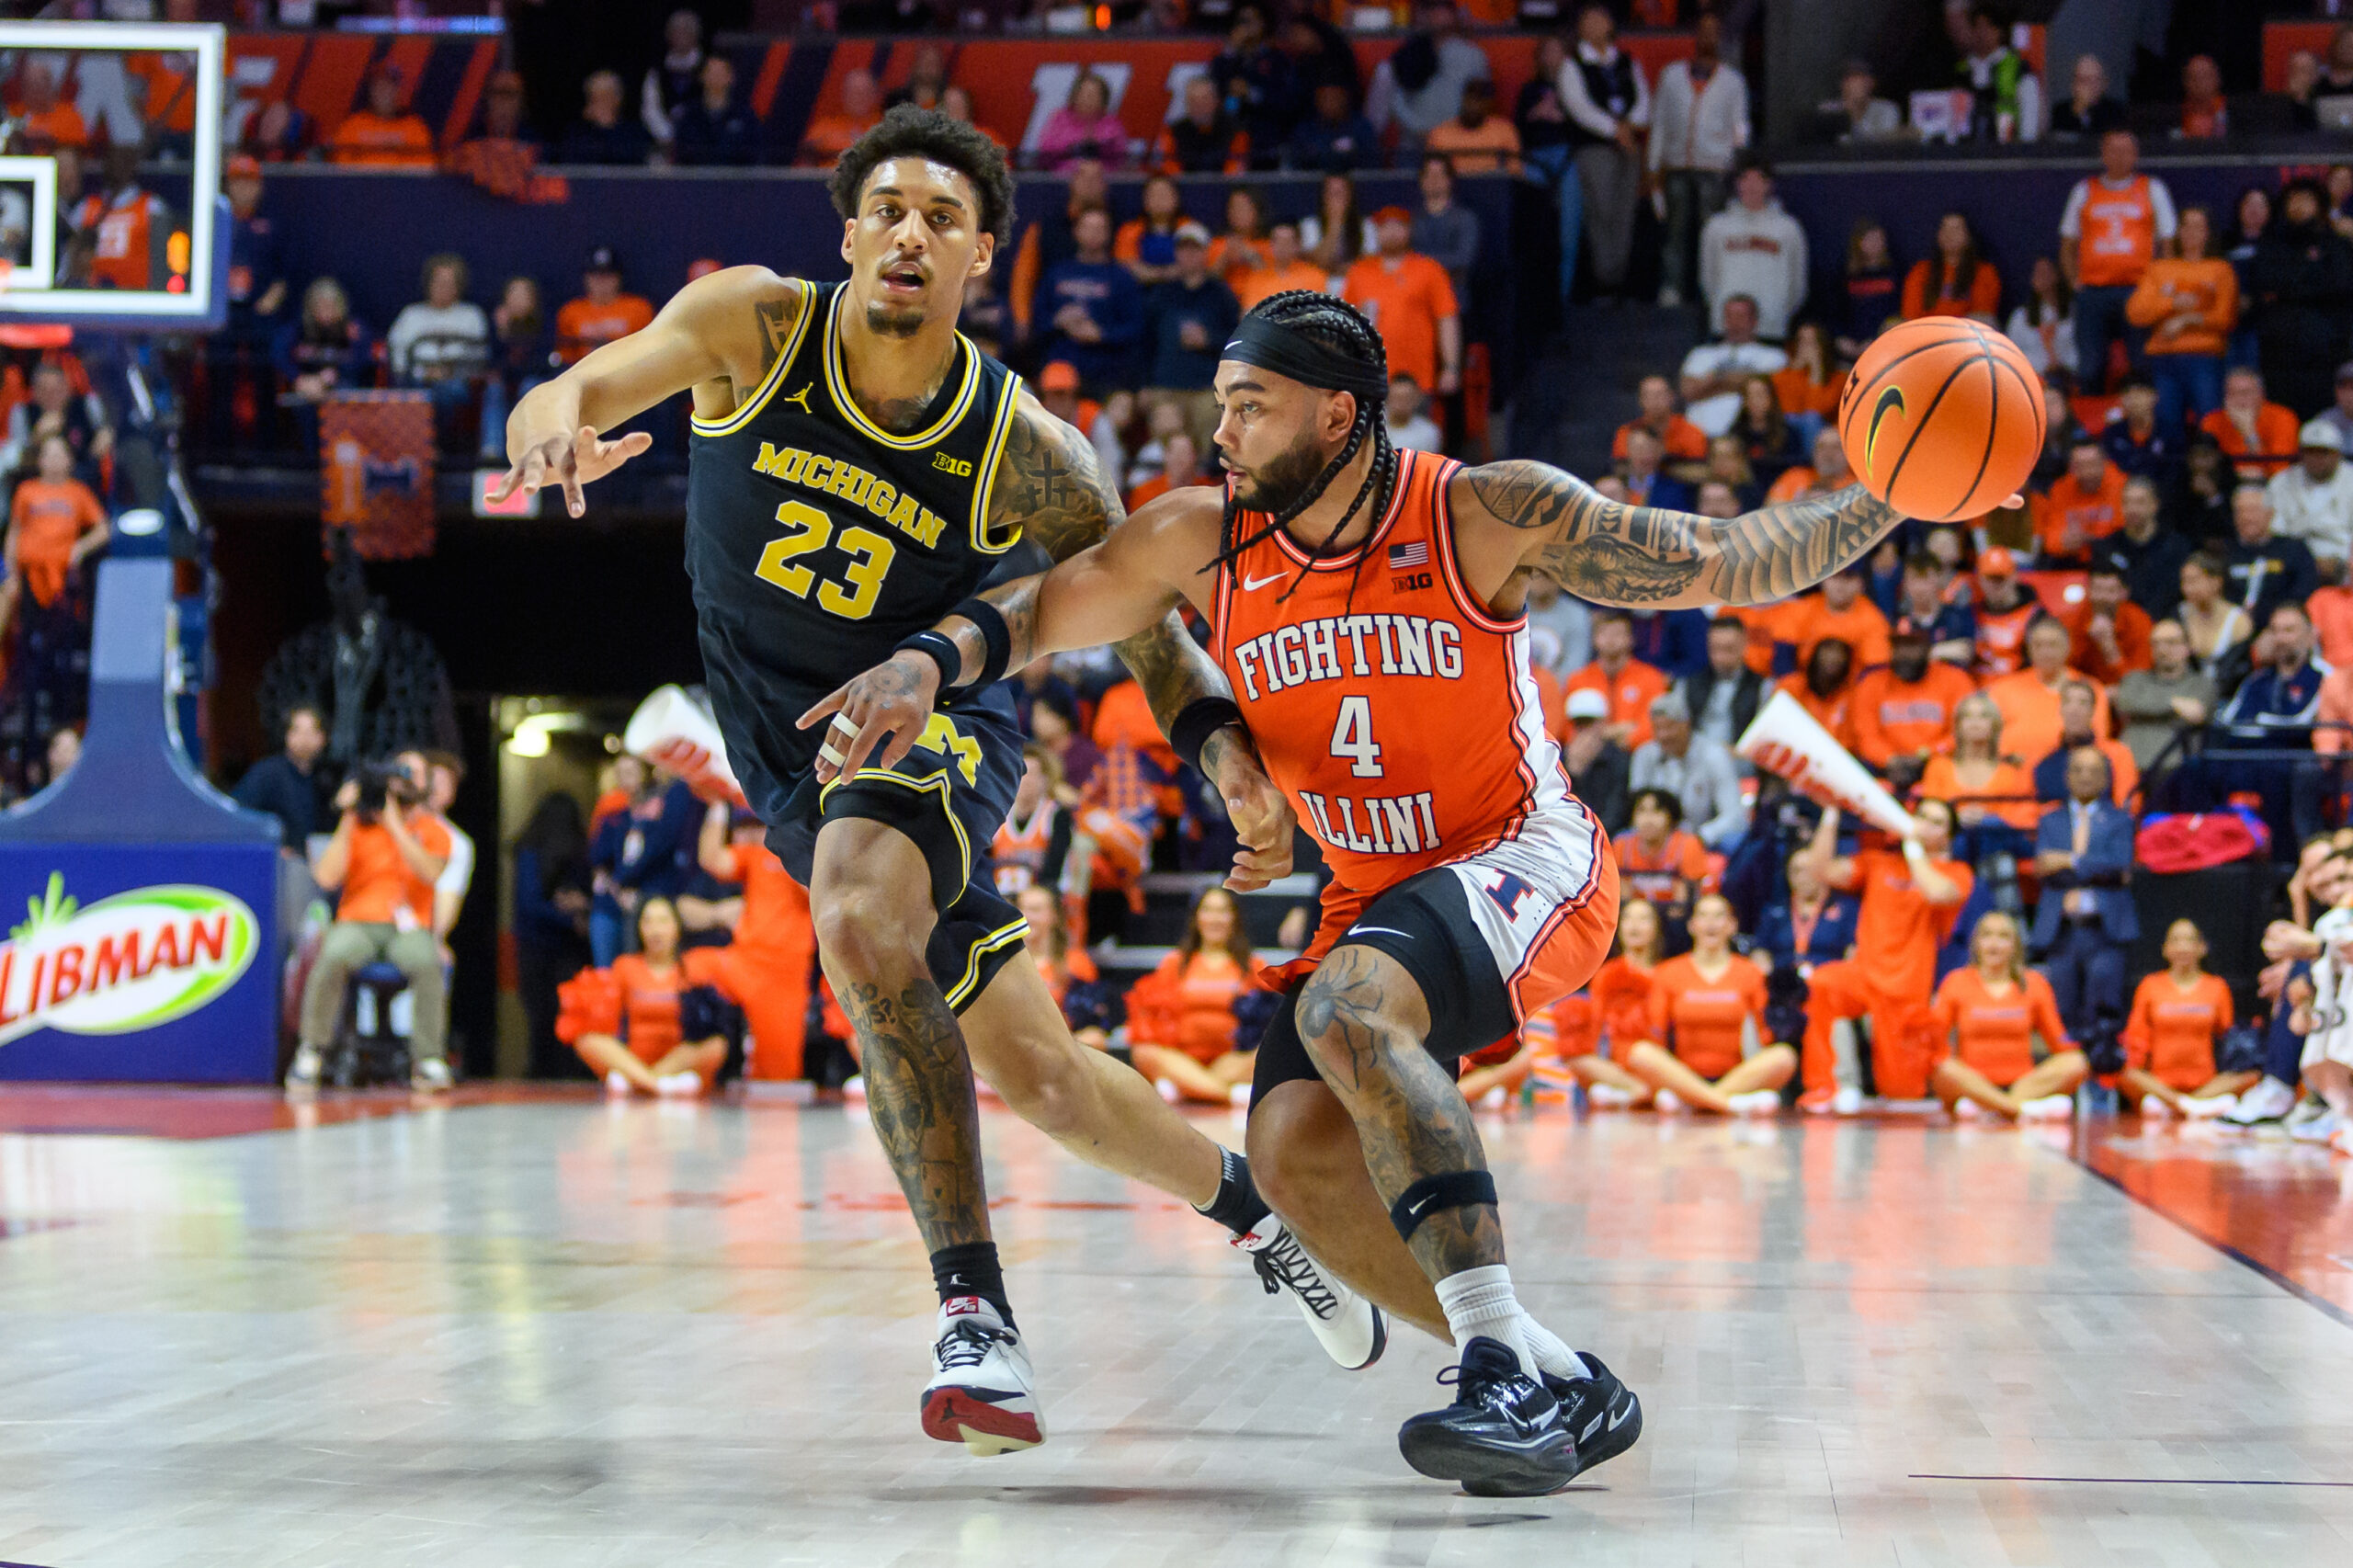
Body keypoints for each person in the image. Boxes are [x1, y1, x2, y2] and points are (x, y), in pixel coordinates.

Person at [808, 284, 1916, 1493]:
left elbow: (1718, 559)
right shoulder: (1205, 535)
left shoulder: (1483, 512)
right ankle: (1557, 1377)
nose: (1216, 435)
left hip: (1522, 856)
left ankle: (1496, 1370)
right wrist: (928, 659)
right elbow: (1046, 606)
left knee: (1346, 1009)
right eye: (1219, 407)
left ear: (1337, 418)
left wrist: (1892, 492)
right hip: (1370, 896)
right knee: (1288, 1152)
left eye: (1249, 407)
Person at [492, 106, 1372, 1453]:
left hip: (936, 721)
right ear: (848, 236)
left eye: (943, 219)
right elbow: (583, 385)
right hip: (789, 759)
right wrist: (546, 427)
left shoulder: (1027, 450)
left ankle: (978, 1320)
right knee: (1050, 1081)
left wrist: (1223, 755)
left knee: (851, 910)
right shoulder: (753, 328)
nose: (911, 232)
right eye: (889, 209)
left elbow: (1145, 621)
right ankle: (1260, 1219)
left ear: (981, 263)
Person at [289, 753, 452, 1094]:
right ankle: (312, 1050)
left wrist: (394, 824)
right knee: (332, 955)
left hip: (408, 926)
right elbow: (326, 877)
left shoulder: (434, 831)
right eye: (399, 771)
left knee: (426, 962)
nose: (406, 779)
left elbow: (431, 872)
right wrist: (349, 816)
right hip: (359, 920)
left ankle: (428, 1059)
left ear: (425, 784)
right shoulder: (359, 826)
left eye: (414, 774)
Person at [1798, 801, 1972, 1112]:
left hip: (1907, 991)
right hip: (1865, 974)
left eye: (1936, 822)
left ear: (1948, 837)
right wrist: (1831, 816)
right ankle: (1826, 1087)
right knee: (1824, 982)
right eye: (1921, 817)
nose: (1925, 825)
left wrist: (1914, 848)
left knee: (1903, 1093)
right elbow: (1819, 872)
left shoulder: (1957, 873)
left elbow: (1935, 892)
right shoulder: (1879, 862)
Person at [1621, 893, 1792, 1117]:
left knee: (1784, 1056)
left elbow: (1764, 1034)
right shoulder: (1669, 972)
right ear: (1692, 926)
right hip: (1682, 1074)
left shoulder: (1750, 972)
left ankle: (1698, 1100)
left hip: (1737, 1076)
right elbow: (1655, 1033)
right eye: (1703, 916)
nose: (1711, 923)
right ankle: (1728, 1103)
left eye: (1719, 916)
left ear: (1732, 926)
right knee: (1640, 1052)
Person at [692, 800, 821, 1081]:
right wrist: (717, 806)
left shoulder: (803, 852)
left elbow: (818, 890)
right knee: (682, 971)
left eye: (756, 826)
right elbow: (711, 859)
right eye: (744, 827)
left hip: (784, 974)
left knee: (779, 1074)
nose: (750, 833)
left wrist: (791, 841)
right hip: (743, 960)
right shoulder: (756, 855)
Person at [1928, 912, 2088, 1122]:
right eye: (1987, 935)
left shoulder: (2034, 983)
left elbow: (2060, 1044)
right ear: (1975, 943)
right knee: (1942, 1067)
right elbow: (1935, 1042)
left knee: (2076, 1062)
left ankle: (1992, 1107)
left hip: (2024, 1084)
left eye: (2003, 937)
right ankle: (2017, 1109)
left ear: (2015, 946)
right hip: (1973, 1083)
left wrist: (2070, 1061)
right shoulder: (1956, 982)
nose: (1994, 944)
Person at [564, 896, 732, 1096]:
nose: (655, 930)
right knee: (587, 1040)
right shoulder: (625, 966)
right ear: (639, 928)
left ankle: (638, 1082)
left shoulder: (693, 966)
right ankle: (656, 1084)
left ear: (677, 928)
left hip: (677, 1060)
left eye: (663, 921)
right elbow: (606, 1022)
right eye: (648, 922)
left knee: (716, 1045)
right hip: (632, 1058)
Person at [2031, 745, 2139, 1044]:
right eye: (2078, 769)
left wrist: (2069, 861)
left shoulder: (2120, 821)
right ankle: (2066, 1077)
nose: (2085, 776)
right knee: (2061, 1010)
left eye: (2093, 770)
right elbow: (2042, 866)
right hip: (2062, 930)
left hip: (2104, 930)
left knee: (2103, 1010)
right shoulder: (2050, 821)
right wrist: (2096, 866)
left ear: (2106, 779)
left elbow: (2119, 865)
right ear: (2066, 777)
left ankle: (2100, 1079)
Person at [2061, 130, 2177, 394]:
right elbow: (2067, 244)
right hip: (2092, 291)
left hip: (2138, 290)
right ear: (2103, 154)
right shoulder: (2084, 190)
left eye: (2126, 150)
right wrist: (2073, 281)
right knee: (2089, 367)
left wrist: (2161, 287)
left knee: (2141, 364)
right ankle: (2088, 430)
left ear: (2135, 155)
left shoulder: (2151, 188)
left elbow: (2167, 243)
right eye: (2113, 150)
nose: (2119, 156)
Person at [1649, 14, 1748, 312]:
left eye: (1715, 33)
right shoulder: (1672, 75)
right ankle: (1672, 288)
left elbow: (1739, 128)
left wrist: (1734, 165)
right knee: (1675, 233)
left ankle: (1711, 292)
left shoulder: (1732, 81)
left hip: (1714, 168)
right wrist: (1654, 165)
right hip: (1678, 164)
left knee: (1712, 233)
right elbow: (1660, 123)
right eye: (1704, 32)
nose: (1709, 38)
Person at [1127, 887, 1261, 1106]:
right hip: (1181, 1057)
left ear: (1234, 918)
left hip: (1232, 1060)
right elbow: (1150, 1015)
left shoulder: (1253, 966)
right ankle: (1227, 1094)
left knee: (1264, 1057)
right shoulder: (1174, 964)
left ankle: (1190, 1087)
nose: (1215, 919)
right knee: (1143, 1052)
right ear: (1197, 918)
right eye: (1207, 910)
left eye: (1223, 911)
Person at [2120, 920, 2259, 1119]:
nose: (2183, 947)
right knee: (2127, 1074)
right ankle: (2183, 1104)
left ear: (2202, 948)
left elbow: (2229, 1038)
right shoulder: (2150, 985)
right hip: (2160, 1083)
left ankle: (2188, 1103)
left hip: (2206, 1083)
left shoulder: (2217, 987)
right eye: (2176, 940)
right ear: (2165, 949)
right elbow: (2135, 1039)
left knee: (2252, 1075)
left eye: (2190, 940)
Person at [1560, 1, 1650, 301]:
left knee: (1625, 212)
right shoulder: (1572, 65)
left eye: (1601, 19)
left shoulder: (1626, 61)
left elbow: (1642, 101)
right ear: (1581, 28)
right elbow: (1579, 108)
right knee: (1601, 211)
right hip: (1596, 149)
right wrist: (1615, 130)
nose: (1596, 25)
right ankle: (1604, 279)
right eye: (1589, 20)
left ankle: (1620, 279)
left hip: (1628, 147)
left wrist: (1631, 126)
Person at [2125, 204, 2234, 438]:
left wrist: (2186, 319)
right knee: (2166, 424)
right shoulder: (2159, 268)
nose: (2192, 233)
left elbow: (2225, 318)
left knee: (2210, 422)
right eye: (2186, 226)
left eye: (2199, 227)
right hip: (2163, 358)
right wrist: (2171, 304)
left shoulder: (2220, 269)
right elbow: (2136, 313)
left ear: (2208, 233)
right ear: (2178, 231)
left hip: (2204, 358)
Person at [511, 790, 593, 1079]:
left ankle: (541, 1074)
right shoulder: (580, 851)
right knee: (568, 1016)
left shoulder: (529, 850)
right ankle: (568, 1074)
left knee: (539, 1018)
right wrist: (575, 918)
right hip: (569, 948)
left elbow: (528, 904)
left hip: (533, 945)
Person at [1342, 205, 1461, 400]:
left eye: (1398, 226)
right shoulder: (1359, 271)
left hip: (1417, 379)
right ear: (1377, 232)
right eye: (1385, 227)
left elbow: (1446, 319)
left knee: (1418, 429)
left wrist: (1451, 367)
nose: (1392, 232)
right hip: (1370, 379)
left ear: (1409, 230)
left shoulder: (1429, 269)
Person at [1563, 896, 1664, 1108]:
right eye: (1628, 918)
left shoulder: (1667, 975)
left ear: (1656, 929)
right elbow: (1596, 1027)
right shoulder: (1607, 974)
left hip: (1653, 1058)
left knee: (1647, 1056)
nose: (1634, 926)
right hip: (1615, 1058)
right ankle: (1639, 1091)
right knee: (1575, 1057)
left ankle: (1632, 1092)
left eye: (1643, 919)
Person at [3, 435, 108, 637]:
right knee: (28, 637)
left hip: (63, 575)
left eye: (59, 455)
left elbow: (103, 529)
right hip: (30, 574)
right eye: (49, 455)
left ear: (69, 460)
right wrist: (11, 574)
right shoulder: (26, 491)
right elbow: (14, 533)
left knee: (61, 635)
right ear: (40, 460)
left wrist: (81, 547)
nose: (54, 460)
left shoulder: (78, 492)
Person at [1852, 625, 1976, 791]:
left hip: (1940, 767)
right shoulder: (1871, 683)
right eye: (1899, 647)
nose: (1905, 654)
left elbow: (1961, 733)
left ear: (1927, 648)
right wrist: (1890, 759)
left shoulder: (1955, 679)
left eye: (1912, 646)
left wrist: (1927, 754)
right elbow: (1866, 736)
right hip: (1883, 770)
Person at [1698, 160, 1807, 342]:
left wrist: (1779, 312)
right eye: (1746, 180)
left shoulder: (1788, 228)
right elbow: (1708, 277)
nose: (1751, 186)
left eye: (1758, 180)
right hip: (1726, 330)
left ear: (1769, 185)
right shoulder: (1717, 227)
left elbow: (1797, 282)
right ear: (1737, 184)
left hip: (1772, 329)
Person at [1040, 208, 1145, 393]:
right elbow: (1035, 322)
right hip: (1061, 368)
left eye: (1099, 228)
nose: (1093, 234)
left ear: (1108, 234)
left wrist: (1101, 335)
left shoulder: (1121, 277)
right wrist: (1057, 321)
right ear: (1076, 231)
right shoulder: (1057, 273)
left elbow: (1135, 328)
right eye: (1088, 227)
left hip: (1107, 371)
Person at [1629, 690, 1745, 850]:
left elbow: (1734, 816)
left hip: (1702, 835)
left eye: (1670, 727)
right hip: (1654, 836)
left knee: (1735, 841)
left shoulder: (1714, 755)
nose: (1663, 736)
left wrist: (1700, 838)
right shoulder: (1644, 755)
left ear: (1686, 724)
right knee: (1621, 838)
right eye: (1657, 728)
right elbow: (1637, 809)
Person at [1985, 617, 2111, 766]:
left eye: (2053, 645)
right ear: (2029, 650)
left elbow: (2098, 741)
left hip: (2069, 775)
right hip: (2012, 773)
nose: (2045, 652)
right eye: (2038, 645)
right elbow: (1987, 741)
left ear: (2068, 647)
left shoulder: (2090, 689)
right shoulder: (2002, 689)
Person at [1923, 691, 2039, 835]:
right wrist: (1955, 819)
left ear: (1995, 726)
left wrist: (1987, 820)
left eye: (1983, 716)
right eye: (1968, 716)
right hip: (1949, 844)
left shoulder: (2013, 770)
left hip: (2000, 844)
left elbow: (2022, 819)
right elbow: (1928, 814)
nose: (1975, 722)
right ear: (1958, 725)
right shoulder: (1938, 767)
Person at [1677, 294, 1787, 437]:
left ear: (1754, 321)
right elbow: (1688, 391)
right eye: (1729, 316)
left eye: (1741, 317)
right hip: (1699, 436)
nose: (1734, 322)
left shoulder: (1774, 356)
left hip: (1749, 437)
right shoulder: (1700, 354)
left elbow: (1768, 392)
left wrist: (1711, 382)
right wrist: (1740, 381)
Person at [2112, 619, 2215, 769]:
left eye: (2171, 642)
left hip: (2178, 773)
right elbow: (2125, 702)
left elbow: (2196, 713)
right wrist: (2175, 704)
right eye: (2156, 644)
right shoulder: (2135, 679)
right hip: (2129, 770)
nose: (2162, 650)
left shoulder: (2201, 684)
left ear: (2187, 647)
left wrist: (2145, 707)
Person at [1565, 609, 1671, 749]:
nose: (1611, 639)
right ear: (1594, 638)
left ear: (1631, 638)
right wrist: (1618, 731)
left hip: (1633, 753)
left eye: (1617, 633)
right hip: (1589, 755)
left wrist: (1620, 738)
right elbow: (1567, 730)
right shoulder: (1578, 679)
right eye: (1604, 633)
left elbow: (1653, 727)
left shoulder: (1651, 678)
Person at [233, 704, 327, 857]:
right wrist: (272, 849)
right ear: (286, 735)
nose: (304, 739)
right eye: (297, 731)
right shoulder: (267, 773)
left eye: (311, 732)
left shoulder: (328, 777)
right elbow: (239, 815)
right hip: (279, 866)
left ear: (322, 738)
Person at [2222, 483, 2319, 627]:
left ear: (2270, 513)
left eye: (2253, 510)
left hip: (2280, 628)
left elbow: (2303, 595)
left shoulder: (2294, 550)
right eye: (2240, 511)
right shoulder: (2223, 553)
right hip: (2232, 630)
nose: (2246, 517)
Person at [2268, 420, 2353, 570]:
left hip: (2344, 558)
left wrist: (2340, 561)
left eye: (2324, 453)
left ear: (2337, 454)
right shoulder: (2282, 482)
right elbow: (2276, 530)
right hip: (2294, 560)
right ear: (2301, 453)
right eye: (2311, 452)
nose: (2317, 459)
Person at [1677, 616, 1766, 752]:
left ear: (1744, 645)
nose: (1721, 657)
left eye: (1729, 649)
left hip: (1739, 758)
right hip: (1695, 758)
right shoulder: (1689, 683)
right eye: (1715, 649)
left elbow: (1763, 739)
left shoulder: (1762, 687)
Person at [555, 249, 654, 367]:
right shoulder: (571, 311)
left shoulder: (639, 308)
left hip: (627, 371)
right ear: (586, 278)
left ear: (618, 277)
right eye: (595, 276)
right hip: (584, 374)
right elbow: (565, 359)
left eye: (608, 275)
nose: (601, 281)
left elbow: (647, 352)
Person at [2201, 368, 2301, 483]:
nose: (2239, 400)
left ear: (2261, 394)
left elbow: (2279, 473)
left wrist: (2250, 434)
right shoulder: (2212, 421)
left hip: (2269, 487)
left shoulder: (2283, 417)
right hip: (2227, 486)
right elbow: (2206, 470)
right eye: (2232, 393)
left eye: (2245, 393)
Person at [2061, 562, 2152, 687]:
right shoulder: (2072, 620)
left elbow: (2140, 682)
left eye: (2110, 591)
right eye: (2097, 590)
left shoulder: (2139, 621)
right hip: (2083, 693)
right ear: (2088, 590)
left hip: (2125, 695)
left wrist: (2110, 649)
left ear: (2124, 593)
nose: (2103, 597)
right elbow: (2064, 669)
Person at [1902, 211, 2000, 324]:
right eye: (1945, 228)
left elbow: (1982, 315)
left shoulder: (1984, 272)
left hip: (1965, 334)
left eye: (1956, 229)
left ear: (1968, 236)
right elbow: (1910, 315)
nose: (1949, 234)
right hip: (1927, 332)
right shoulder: (1921, 271)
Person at [1559, 687, 1631, 835]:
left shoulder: (1619, 760)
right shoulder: (1561, 758)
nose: (1584, 730)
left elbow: (1616, 812)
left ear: (1603, 724)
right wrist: (1573, 773)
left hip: (1605, 838)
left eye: (1589, 723)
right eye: (1579, 724)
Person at [1410, 156, 1480, 307]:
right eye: (1429, 174)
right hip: (1417, 301)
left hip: (1455, 298)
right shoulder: (1410, 220)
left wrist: (1421, 263)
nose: (1434, 180)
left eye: (1440, 174)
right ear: (1421, 181)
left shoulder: (1465, 218)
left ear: (1450, 180)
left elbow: (1463, 259)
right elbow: (1404, 259)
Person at [328, 67, 434, 167]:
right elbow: (341, 166)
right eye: (377, 86)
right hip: (362, 184)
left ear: (397, 91)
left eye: (388, 86)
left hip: (400, 185)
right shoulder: (353, 125)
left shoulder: (415, 127)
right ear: (370, 92)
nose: (382, 91)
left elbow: (423, 167)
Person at [672, 54, 761, 167]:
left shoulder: (745, 116)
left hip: (736, 180)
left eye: (720, 73)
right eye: (711, 72)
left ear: (731, 77)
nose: (716, 77)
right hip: (696, 180)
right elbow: (681, 155)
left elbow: (755, 155)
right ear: (702, 76)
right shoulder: (689, 116)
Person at [1422, 77, 1520, 177]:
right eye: (1469, 99)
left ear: (1488, 104)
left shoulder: (1504, 131)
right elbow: (1431, 176)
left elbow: (1514, 173)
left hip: (1492, 190)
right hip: (1451, 191)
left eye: (1479, 100)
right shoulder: (1440, 134)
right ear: (1463, 100)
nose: (1473, 105)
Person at [1036, 72, 1130, 172]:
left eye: (1094, 95)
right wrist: (1074, 148)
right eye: (1084, 94)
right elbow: (1046, 154)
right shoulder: (1059, 119)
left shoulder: (1112, 124)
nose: (1088, 99)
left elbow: (1119, 158)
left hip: (1101, 178)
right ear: (1074, 96)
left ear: (1103, 100)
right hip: (1062, 177)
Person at [1158, 74, 1249, 175]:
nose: (1199, 105)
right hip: (1184, 187)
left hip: (1225, 186)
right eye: (1193, 101)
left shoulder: (1235, 130)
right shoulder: (1174, 131)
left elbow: (1236, 167)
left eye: (1204, 99)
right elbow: (1169, 167)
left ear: (1215, 101)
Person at [1836, 218, 1900, 363]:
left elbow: (1897, 315)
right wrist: (1840, 338)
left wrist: (1876, 340)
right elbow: (1835, 312)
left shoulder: (1895, 274)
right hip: (1849, 348)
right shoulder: (1845, 275)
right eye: (1869, 239)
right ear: (1858, 242)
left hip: (1882, 350)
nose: (1874, 244)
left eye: (1878, 239)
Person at [559, 70, 654, 165]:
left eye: (605, 97)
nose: (601, 103)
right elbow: (574, 165)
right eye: (595, 98)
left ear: (617, 100)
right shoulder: (577, 133)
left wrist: (607, 127)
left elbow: (635, 164)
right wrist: (599, 126)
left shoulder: (634, 132)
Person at [2005, 256, 2077, 381]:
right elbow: (2011, 354)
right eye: (2037, 272)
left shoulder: (2074, 314)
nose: (2041, 277)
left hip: (2068, 376)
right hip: (2031, 377)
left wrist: (2061, 367)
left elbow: (2079, 350)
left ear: (2058, 275)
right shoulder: (2020, 317)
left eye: (2046, 272)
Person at [1233, 221, 1328, 312]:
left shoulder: (1315, 276)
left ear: (1297, 245)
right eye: (1278, 242)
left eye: (1287, 242)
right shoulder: (1257, 279)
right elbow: (1249, 318)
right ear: (1271, 245)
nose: (1282, 247)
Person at [798, 67, 882, 167]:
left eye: (864, 92)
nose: (858, 98)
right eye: (854, 93)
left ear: (875, 95)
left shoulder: (885, 128)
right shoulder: (823, 130)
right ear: (844, 95)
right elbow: (803, 173)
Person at [2048, 51, 2125, 141]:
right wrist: (2079, 111)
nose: (2090, 86)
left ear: (2104, 84)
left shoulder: (2116, 111)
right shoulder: (2060, 112)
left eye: (2095, 80)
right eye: (2084, 80)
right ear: (2074, 85)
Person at [1386, 375, 1442, 454]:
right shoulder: (1372, 428)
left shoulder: (1429, 433)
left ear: (1417, 399)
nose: (1401, 404)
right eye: (1396, 397)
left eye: (1406, 398)